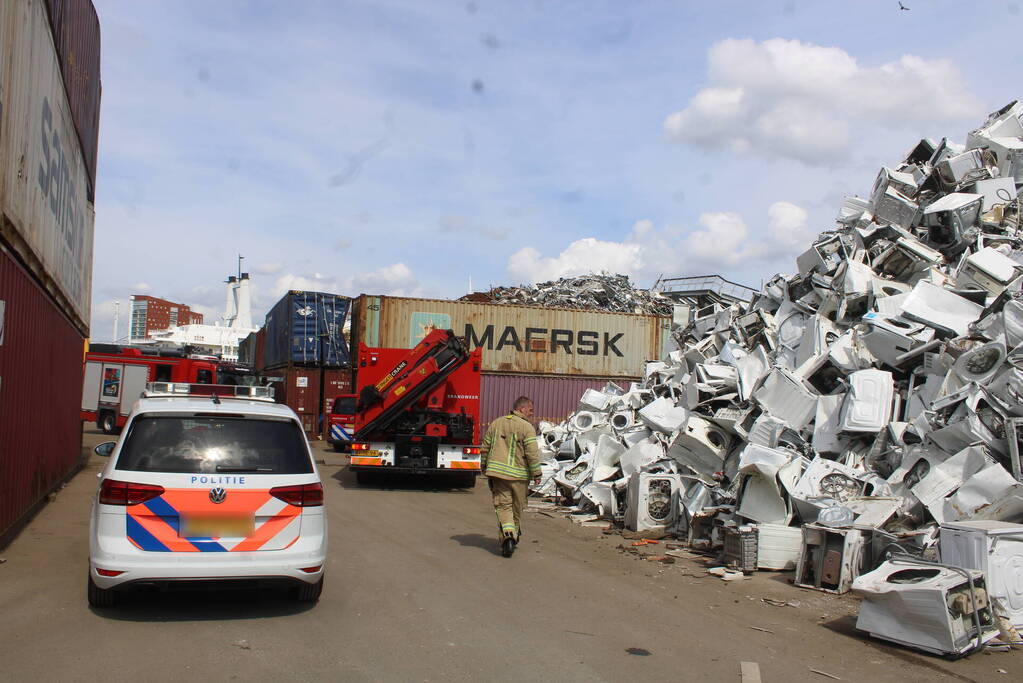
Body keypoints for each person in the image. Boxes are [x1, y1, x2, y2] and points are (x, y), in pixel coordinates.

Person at [480, 396, 541, 557]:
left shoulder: (496, 423)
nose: (532, 413)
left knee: (503, 507)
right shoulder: (527, 428)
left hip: (498, 475)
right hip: (519, 477)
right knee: (516, 508)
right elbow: (532, 454)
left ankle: (508, 536)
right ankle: (511, 535)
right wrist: (537, 473)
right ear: (521, 409)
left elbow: (485, 446)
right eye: (530, 410)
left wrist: (484, 465)